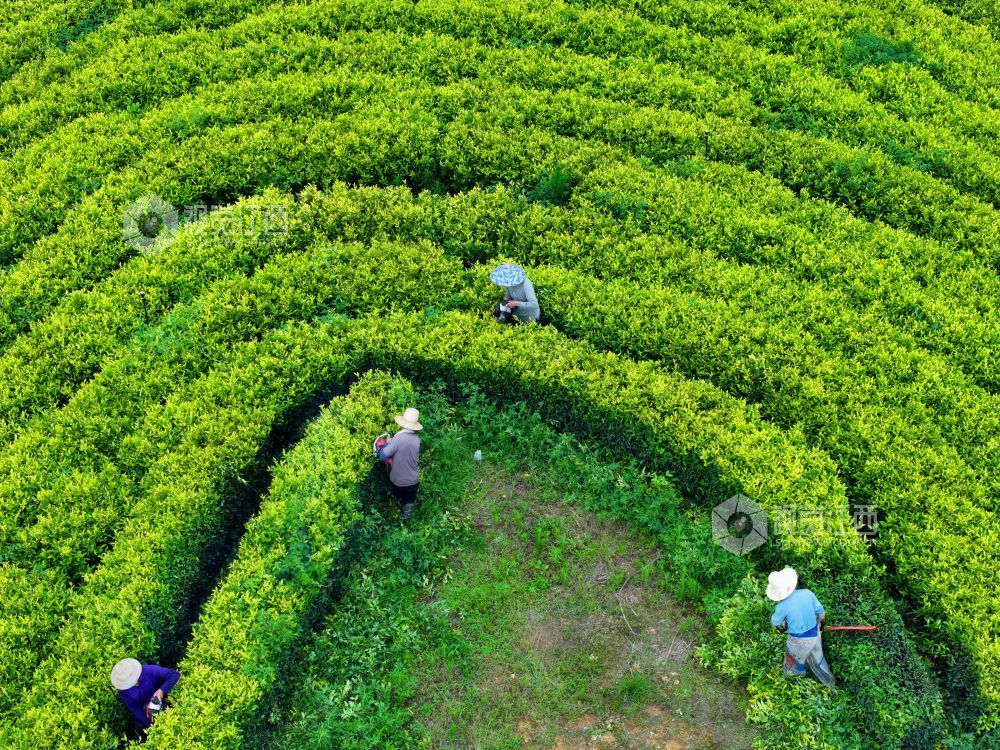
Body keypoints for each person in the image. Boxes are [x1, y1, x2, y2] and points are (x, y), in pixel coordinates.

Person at [766, 567, 836, 689]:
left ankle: (795, 686)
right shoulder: (807, 593)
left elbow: (774, 624)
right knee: (818, 658)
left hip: (798, 641)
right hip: (815, 634)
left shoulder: (781, 607)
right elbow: (822, 614)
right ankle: (829, 684)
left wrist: (782, 623)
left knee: (793, 662)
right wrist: (818, 623)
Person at [111, 658, 180, 738]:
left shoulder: (148, 670)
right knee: (141, 732)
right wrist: (150, 723)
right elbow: (133, 706)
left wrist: (162, 690)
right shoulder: (123, 689)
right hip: (143, 711)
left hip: (160, 702)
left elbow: (174, 674)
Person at [378, 407, 422, 520]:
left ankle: (400, 511)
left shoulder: (397, 439)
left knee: (400, 499)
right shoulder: (417, 439)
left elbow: (382, 455)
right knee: (409, 501)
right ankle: (407, 517)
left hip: (399, 481)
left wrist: (387, 443)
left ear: (402, 423)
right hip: (414, 481)